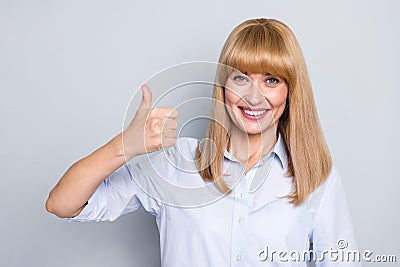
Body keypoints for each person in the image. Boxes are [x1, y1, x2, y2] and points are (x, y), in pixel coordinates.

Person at [46, 18, 361, 266]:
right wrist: (125, 145)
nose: (254, 95)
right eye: (241, 78)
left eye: (271, 80)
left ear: (291, 92)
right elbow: (62, 203)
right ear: (223, 86)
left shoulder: (315, 177)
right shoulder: (176, 164)